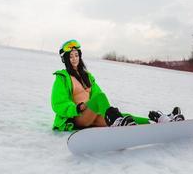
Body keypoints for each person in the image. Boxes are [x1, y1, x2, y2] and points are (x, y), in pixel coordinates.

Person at [51, 39, 184, 131]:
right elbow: (58, 103)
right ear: (66, 59)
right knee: (101, 98)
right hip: (78, 117)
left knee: (125, 116)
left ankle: (158, 121)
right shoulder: (62, 78)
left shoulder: (87, 76)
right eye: (71, 56)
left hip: (93, 115)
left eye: (76, 55)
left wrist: (108, 111)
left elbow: (96, 95)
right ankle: (117, 122)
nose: (74, 59)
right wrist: (78, 107)